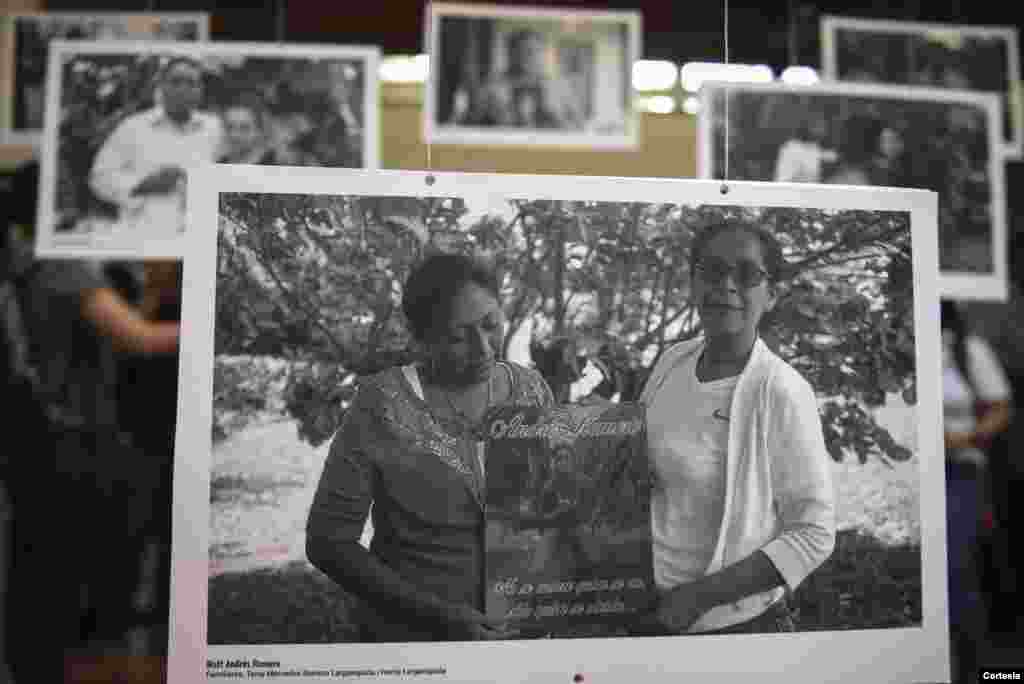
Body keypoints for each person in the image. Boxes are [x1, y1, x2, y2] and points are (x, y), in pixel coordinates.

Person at [306, 253, 554, 642]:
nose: (484, 349)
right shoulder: (382, 403)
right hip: (414, 640)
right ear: (421, 337)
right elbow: (328, 541)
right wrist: (439, 616)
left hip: (520, 638)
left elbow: (555, 513)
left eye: (491, 325)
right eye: (458, 337)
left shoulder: (532, 390)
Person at [634, 219, 836, 636]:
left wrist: (697, 598)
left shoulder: (780, 390)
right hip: (646, 610)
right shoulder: (673, 361)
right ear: (693, 283)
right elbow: (643, 464)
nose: (725, 285)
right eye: (711, 271)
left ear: (772, 294)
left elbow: (814, 534)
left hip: (736, 626)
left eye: (746, 274)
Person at [940, 300, 1012, 683]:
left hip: (962, 469)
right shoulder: (902, 347)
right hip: (928, 473)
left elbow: (1000, 407)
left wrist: (965, 438)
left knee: (957, 569)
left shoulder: (968, 349)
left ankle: (978, 672)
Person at [89, 56, 223, 238]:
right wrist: (142, 185)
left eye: (191, 83)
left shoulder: (215, 129)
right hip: (142, 234)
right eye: (175, 81)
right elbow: (99, 177)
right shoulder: (133, 127)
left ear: (200, 90)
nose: (183, 89)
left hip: (198, 236)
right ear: (161, 86)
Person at [772, 108, 838, 184]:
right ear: (807, 125)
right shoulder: (791, 148)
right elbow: (783, 181)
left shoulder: (815, 147)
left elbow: (829, 156)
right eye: (817, 125)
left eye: (824, 125)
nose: (822, 129)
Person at [218, 97, 278, 165]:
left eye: (244, 128)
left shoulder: (275, 166)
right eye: (229, 127)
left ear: (259, 131)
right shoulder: (219, 165)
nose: (234, 135)